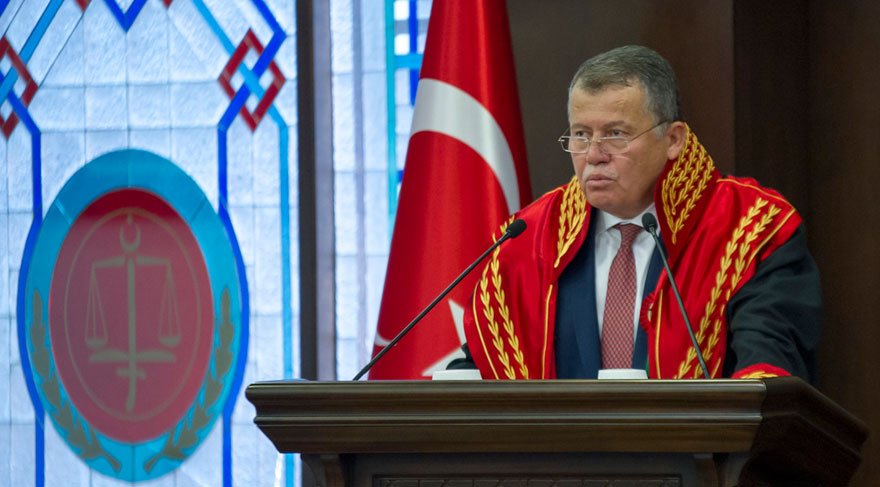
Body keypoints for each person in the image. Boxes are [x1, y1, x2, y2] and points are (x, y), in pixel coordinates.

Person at [454, 45, 820, 381]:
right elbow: (478, 371)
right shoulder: (527, 239)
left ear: (673, 139)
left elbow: (768, 375)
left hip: (697, 436)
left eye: (615, 134)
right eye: (580, 135)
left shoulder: (751, 230)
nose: (593, 155)